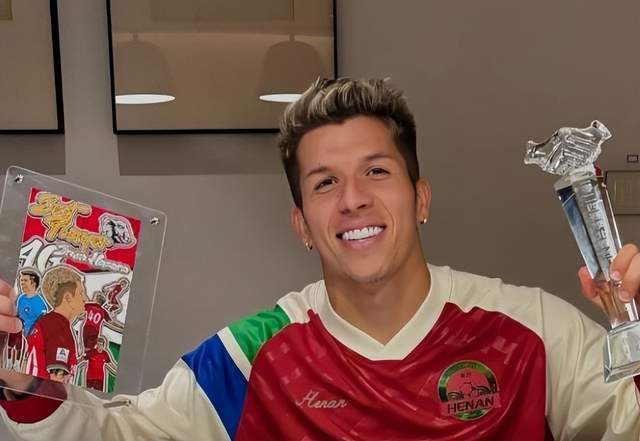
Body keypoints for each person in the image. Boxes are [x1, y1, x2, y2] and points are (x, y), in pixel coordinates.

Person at [0, 78, 639, 440]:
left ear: (421, 198)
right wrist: (25, 384)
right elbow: (121, 435)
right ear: (302, 224)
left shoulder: (533, 332)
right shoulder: (248, 358)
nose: (353, 199)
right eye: (325, 182)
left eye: (377, 171)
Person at [23, 265, 86, 384]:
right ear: (68, 298)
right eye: (81, 293)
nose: (85, 299)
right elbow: (56, 379)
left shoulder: (48, 323)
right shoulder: (59, 331)